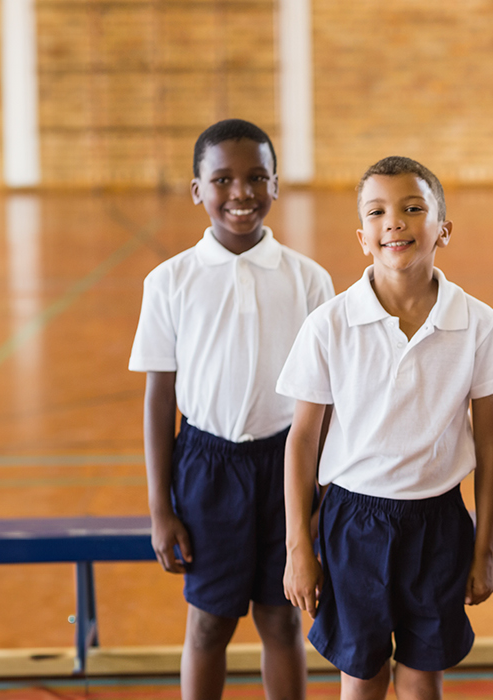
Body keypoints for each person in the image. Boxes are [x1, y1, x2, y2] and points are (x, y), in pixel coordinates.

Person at [277, 156, 493, 700]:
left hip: (439, 521)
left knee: (422, 680)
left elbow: (490, 445)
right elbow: (303, 441)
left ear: (443, 230)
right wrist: (298, 548)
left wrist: (485, 549)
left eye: (413, 208)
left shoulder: (478, 324)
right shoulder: (330, 324)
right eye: (378, 212)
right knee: (361, 679)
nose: (395, 222)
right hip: (353, 522)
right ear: (363, 237)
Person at [128, 118, 332, 700]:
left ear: (275, 184)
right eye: (222, 179)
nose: (241, 192)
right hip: (205, 466)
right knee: (210, 622)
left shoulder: (308, 281)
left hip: (286, 464)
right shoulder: (170, 282)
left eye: (256, 177)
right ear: (197, 190)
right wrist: (159, 507)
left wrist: (322, 492)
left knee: (282, 616)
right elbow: (159, 396)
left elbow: (328, 400)